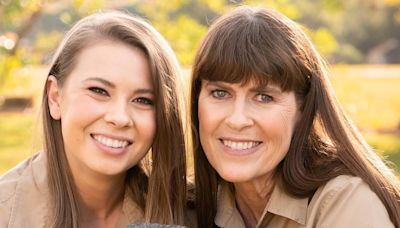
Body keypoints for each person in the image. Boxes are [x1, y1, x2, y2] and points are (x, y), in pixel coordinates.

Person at [190, 5, 400, 228]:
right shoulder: (190, 207)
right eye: (220, 93)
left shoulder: (349, 203)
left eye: (264, 97)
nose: (237, 119)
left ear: (303, 110)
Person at [0, 11, 188, 227]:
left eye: (143, 100)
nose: (119, 118)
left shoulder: (192, 215)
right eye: (99, 90)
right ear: (55, 97)